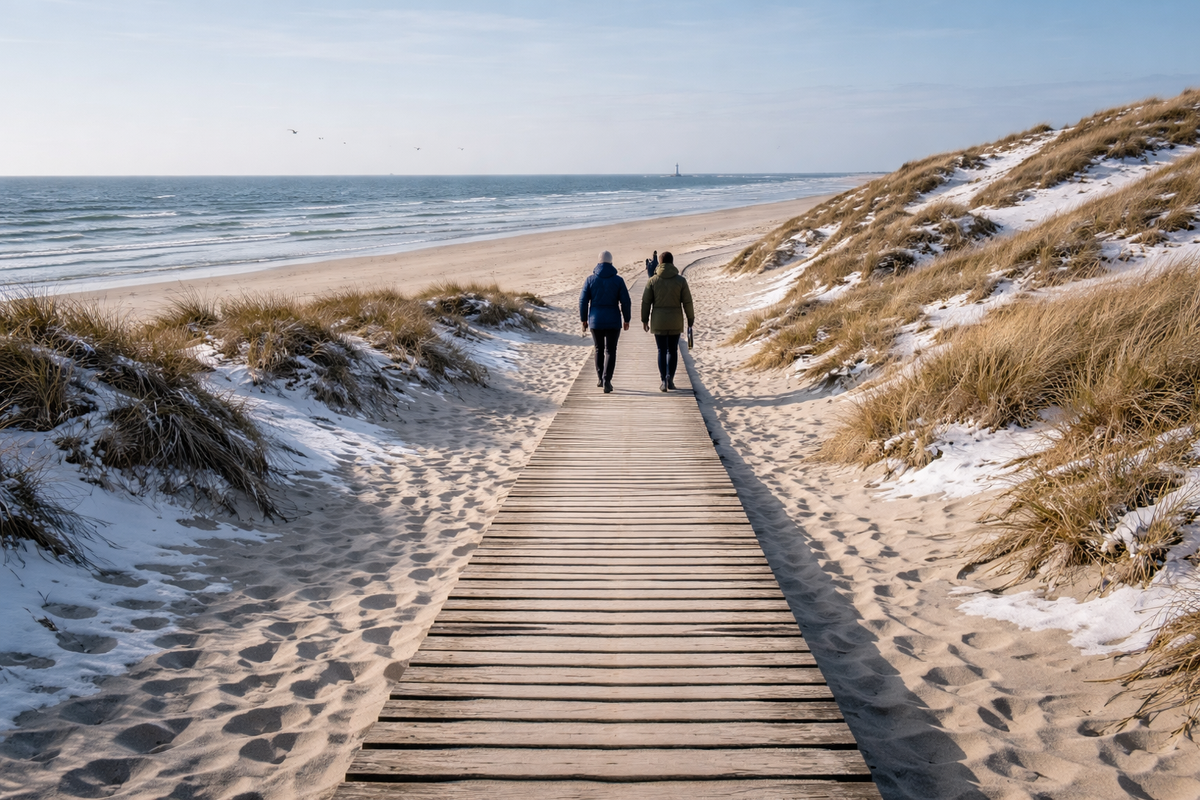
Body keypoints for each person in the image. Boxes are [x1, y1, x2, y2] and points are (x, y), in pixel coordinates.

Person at [640, 251, 694, 392]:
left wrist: (644, 320)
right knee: (673, 350)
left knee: (661, 350)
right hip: (675, 320)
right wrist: (690, 319)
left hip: (659, 320)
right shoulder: (681, 281)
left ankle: (663, 379)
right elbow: (687, 302)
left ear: (660, 263)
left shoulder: (653, 281)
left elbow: (646, 302)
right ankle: (670, 379)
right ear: (672, 262)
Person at [579, 250, 631, 394]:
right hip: (613, 320)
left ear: (598, 262)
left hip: (595, 320)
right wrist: (627, 319)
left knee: (598, 349)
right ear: (611, 262)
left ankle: (600, 379)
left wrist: (584, 319)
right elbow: (625, 301)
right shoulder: (618, 280)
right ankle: (607, 380)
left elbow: (583, 300)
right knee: (611, 350)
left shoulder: (590, 280)